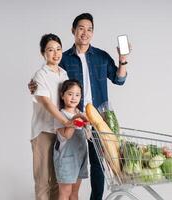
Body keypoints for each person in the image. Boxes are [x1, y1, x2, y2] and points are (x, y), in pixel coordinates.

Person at [29, 13, 129, 200]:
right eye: (81, 28)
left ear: (93, 32)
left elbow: (119, 79)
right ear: (73, 30)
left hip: (98, 119)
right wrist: (33, 85)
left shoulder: (101, 56)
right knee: (70, 165)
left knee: (98, 165)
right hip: (73, 119)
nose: (85, 32)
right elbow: (51, 78)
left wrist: (122, 58)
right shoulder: (64, 58)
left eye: (89, 29)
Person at [31, 33, 86, 200]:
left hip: (61, 132)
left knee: (57, 179)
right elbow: (47, 103)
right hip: (45, 131)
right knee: (43, 179)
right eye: (50, 50)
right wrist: (67, 122)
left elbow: (69, 99)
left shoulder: (63, 73)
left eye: (58, 49)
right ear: (43, 53)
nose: (55, 53)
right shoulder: (40, 75)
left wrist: (76, 119)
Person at [53, 79, 89, 200]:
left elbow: (88, 136)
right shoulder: (60, 115)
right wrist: (75, 119)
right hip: (66, 160)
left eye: (77, 95)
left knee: (74, 192)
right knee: (65, 193)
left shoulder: (81, 113)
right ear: (62, 95)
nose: (74, 98)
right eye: (70, 94)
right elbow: (66, 135)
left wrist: (88, 124)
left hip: (79, 158)